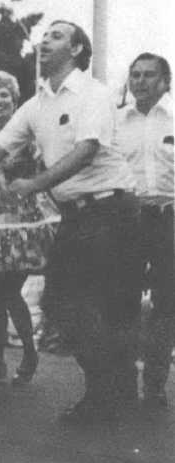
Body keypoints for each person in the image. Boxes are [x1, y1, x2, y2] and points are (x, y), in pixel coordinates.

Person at [0, 21, 141, 423]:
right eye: (44, 36)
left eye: (57, 36)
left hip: (113, 211)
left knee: (101, 305)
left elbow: (85, 151)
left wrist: (33, 184)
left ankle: (109, 395)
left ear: (78, 49)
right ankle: (110, 390)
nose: (44, 41)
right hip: (75, 216)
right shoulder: (34, 105)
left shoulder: (93, 93)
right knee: (60, 303)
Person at [0, 71, 61, 387]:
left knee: (6, 290)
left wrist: (9, 176)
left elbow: (42, 165)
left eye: (3, 94)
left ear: (14, 97)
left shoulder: (28, 129)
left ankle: (29, 353)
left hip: (25, 216)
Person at [115, 53, 173, 408]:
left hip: (169, 219)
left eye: (149, 75)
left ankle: (154, 383)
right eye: (134, 74)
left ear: (166, 81)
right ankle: (122, 381)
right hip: (127, 219)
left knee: (167, 304)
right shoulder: (116, 122)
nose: (140, 81)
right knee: (122, 301)